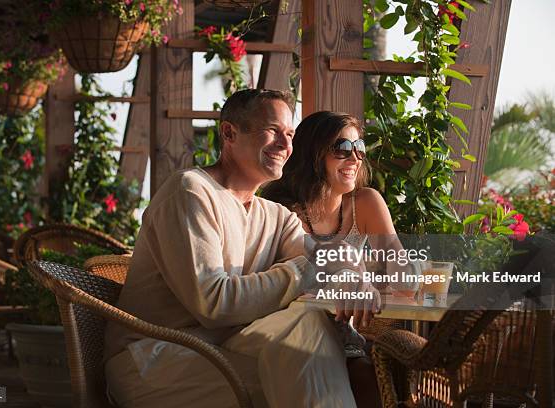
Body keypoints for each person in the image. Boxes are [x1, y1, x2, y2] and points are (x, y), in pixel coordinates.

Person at [103, 90, 374, 408]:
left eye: (289, 135)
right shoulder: (190, 192)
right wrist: (307, 271)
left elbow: (322, 258)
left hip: (224, 349)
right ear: (229, 133)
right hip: (155, 360)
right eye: (272, 131)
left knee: (311, 327)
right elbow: (213, 302)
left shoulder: (273, 215)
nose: (286, 146)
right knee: (305, 371)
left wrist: (351, 275)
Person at [262, 111, 420, 408]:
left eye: (359, 148)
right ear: (313, 153)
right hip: (293, 334)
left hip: (346, 339)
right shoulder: (279, 209)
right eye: (342, 149)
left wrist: (365, 278)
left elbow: (406, 280)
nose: (355, 158)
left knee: (376, 379)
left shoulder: (365, 203)